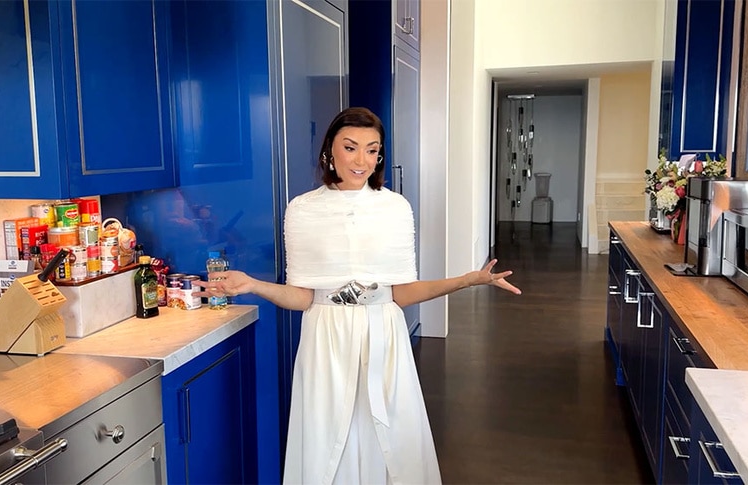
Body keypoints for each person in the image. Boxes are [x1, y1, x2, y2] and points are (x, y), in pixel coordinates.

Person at [194, 107, 521, 484]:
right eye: (350, 148)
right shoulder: (302, 210)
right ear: (329, 151)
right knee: (328, 430)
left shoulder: (395, 208)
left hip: (384, 330)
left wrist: (467, 280)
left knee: (390, 429)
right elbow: (304, 297)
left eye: (372, 150)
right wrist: (253, 285)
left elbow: (401, 292)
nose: (361, 160)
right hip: (325, 336)